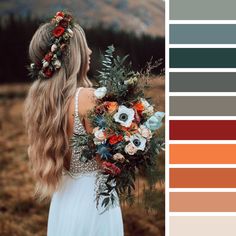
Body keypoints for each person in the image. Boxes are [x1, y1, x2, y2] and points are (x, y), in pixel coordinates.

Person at [23, 11, 124, 236]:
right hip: (95, 203)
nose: (89, 51)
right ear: (73, 55)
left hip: (64, 202)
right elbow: (109, 160)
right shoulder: (88, 98)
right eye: (84, 46)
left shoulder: (43, 103)